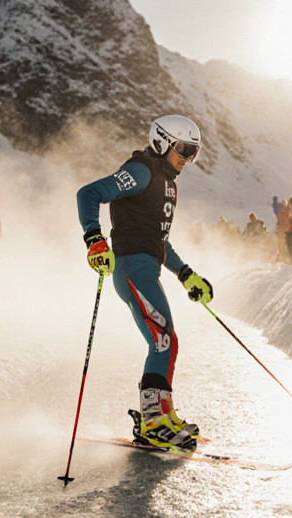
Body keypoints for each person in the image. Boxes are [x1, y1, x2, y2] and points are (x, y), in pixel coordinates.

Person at [75, 115, 214, 450]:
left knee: (167, 340)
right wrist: (95, 240)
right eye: (183, 148)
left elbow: (158, 242)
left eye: (193, 152)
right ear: (162, 141)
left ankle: (162, 415)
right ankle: (153, 423)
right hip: (131, 267)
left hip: (146, 265)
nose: (187, 157)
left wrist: (186, 275)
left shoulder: (167, 183)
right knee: (162, 339)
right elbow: (89, 193)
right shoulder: (142, 170)